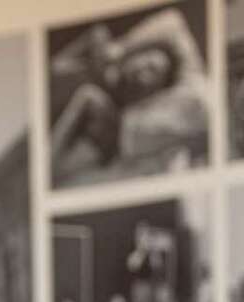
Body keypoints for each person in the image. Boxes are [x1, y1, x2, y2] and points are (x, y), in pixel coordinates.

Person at [49, 6, 209, 186]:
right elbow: (172, 22)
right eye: (148, 62)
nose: (145, 71)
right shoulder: (105, 62)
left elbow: (173, 22)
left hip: (109, 139)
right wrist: (122, 48)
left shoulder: (187, 87)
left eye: (154, 73)